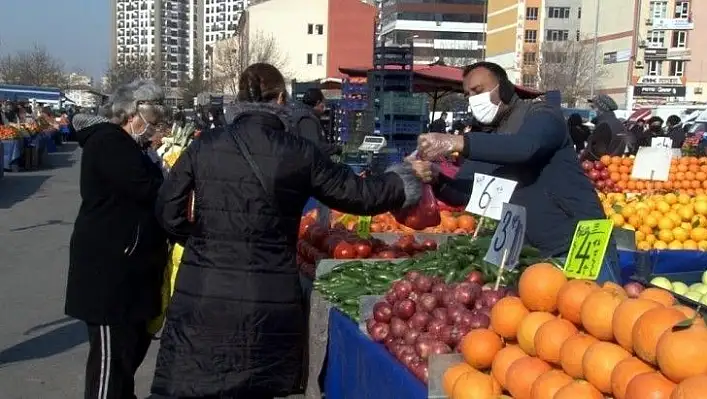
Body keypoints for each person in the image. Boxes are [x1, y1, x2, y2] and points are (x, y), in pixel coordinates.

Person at [151, 63, 422, 399]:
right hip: (268, 297)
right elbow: (360, 196)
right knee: (255, 386)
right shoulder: (298, 152)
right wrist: (405, 178)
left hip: (204, 293)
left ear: (239, 98)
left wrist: (201, 240)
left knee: (197, 384)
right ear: (281, 99)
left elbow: (166, 210)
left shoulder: (205, 145)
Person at [409, 61, 616, 273]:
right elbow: (466, 193)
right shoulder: (487, 135)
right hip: (531, 252)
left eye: (478, 91)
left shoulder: (542, 115)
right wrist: (436, 179)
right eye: (468, 95)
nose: (473, 100)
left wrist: (457, 142)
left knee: (597, 302)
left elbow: (525, 148)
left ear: (505, 89)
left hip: (580, 238)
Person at [64, 80, 168, 399]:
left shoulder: (130, 146)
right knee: (110, 362)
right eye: (149, 122)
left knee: (125, 358)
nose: (152, 130)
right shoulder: (109, 143)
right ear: (130, 114)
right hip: (110, 273)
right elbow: (147, 189)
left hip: (130, 270)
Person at [292, 88, 342, 156]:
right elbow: (314, 146)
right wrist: (336, 148)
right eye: (324, 102)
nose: (325, 106)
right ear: (318, 103)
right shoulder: (307, 119)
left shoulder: (301, 113)